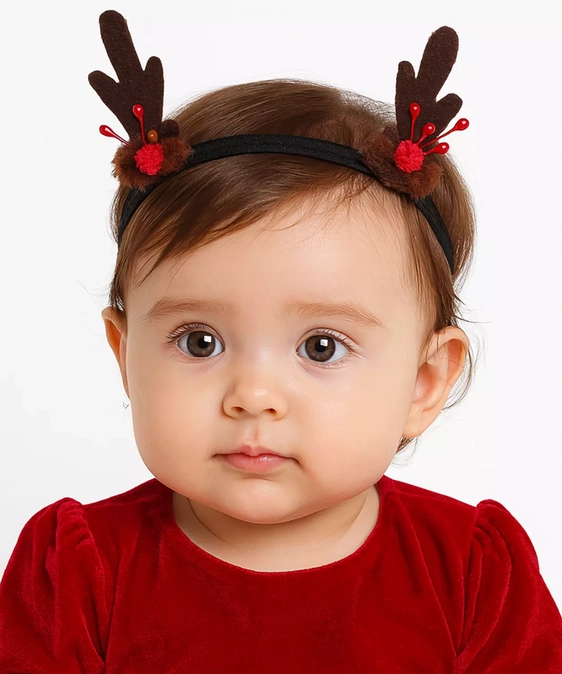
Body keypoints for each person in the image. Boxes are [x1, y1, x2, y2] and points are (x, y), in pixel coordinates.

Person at [1, 10, 560, 672]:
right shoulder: (75, 573)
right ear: (125, 356)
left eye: (321, 347)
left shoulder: (474, 575)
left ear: (423, 382)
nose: (254, 396)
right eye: (199, 341)